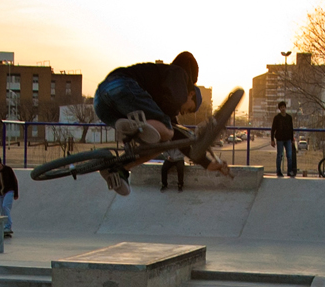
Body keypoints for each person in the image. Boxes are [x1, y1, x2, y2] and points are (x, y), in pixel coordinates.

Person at [92, 52, 229, 195]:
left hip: (102, 104)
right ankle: (134, 127)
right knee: (167, 130)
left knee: (163, 143)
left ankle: (120, 168)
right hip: (122, 85)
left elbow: (179, 142)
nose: (183, 113)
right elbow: (186, 59)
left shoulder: (167, 95)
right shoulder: (178, 75)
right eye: (189, 109)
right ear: (191, 94)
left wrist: (207, 164)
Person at [0, 156, 19, 237]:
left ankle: (8, 226)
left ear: (0, 163)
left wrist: (16, 193)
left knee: (5, 206)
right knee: (2, 210)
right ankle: (4, 227)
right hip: (0, 193)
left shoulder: (8, 169)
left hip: (9, 191)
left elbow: (14, 181)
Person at [270, 101, 296, 178]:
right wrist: (272, 140)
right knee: (279, 155)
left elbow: (291, 129)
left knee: (289, 155)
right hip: (280, 139)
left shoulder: (289, 117)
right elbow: (273, 129)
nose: (283, 109)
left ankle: (289, 171)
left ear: (285, 107)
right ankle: (278, 171)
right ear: (279, 109)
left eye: (283, 107)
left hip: (288, 139)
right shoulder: (277, 118)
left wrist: (292, 139)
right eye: (281, 107)